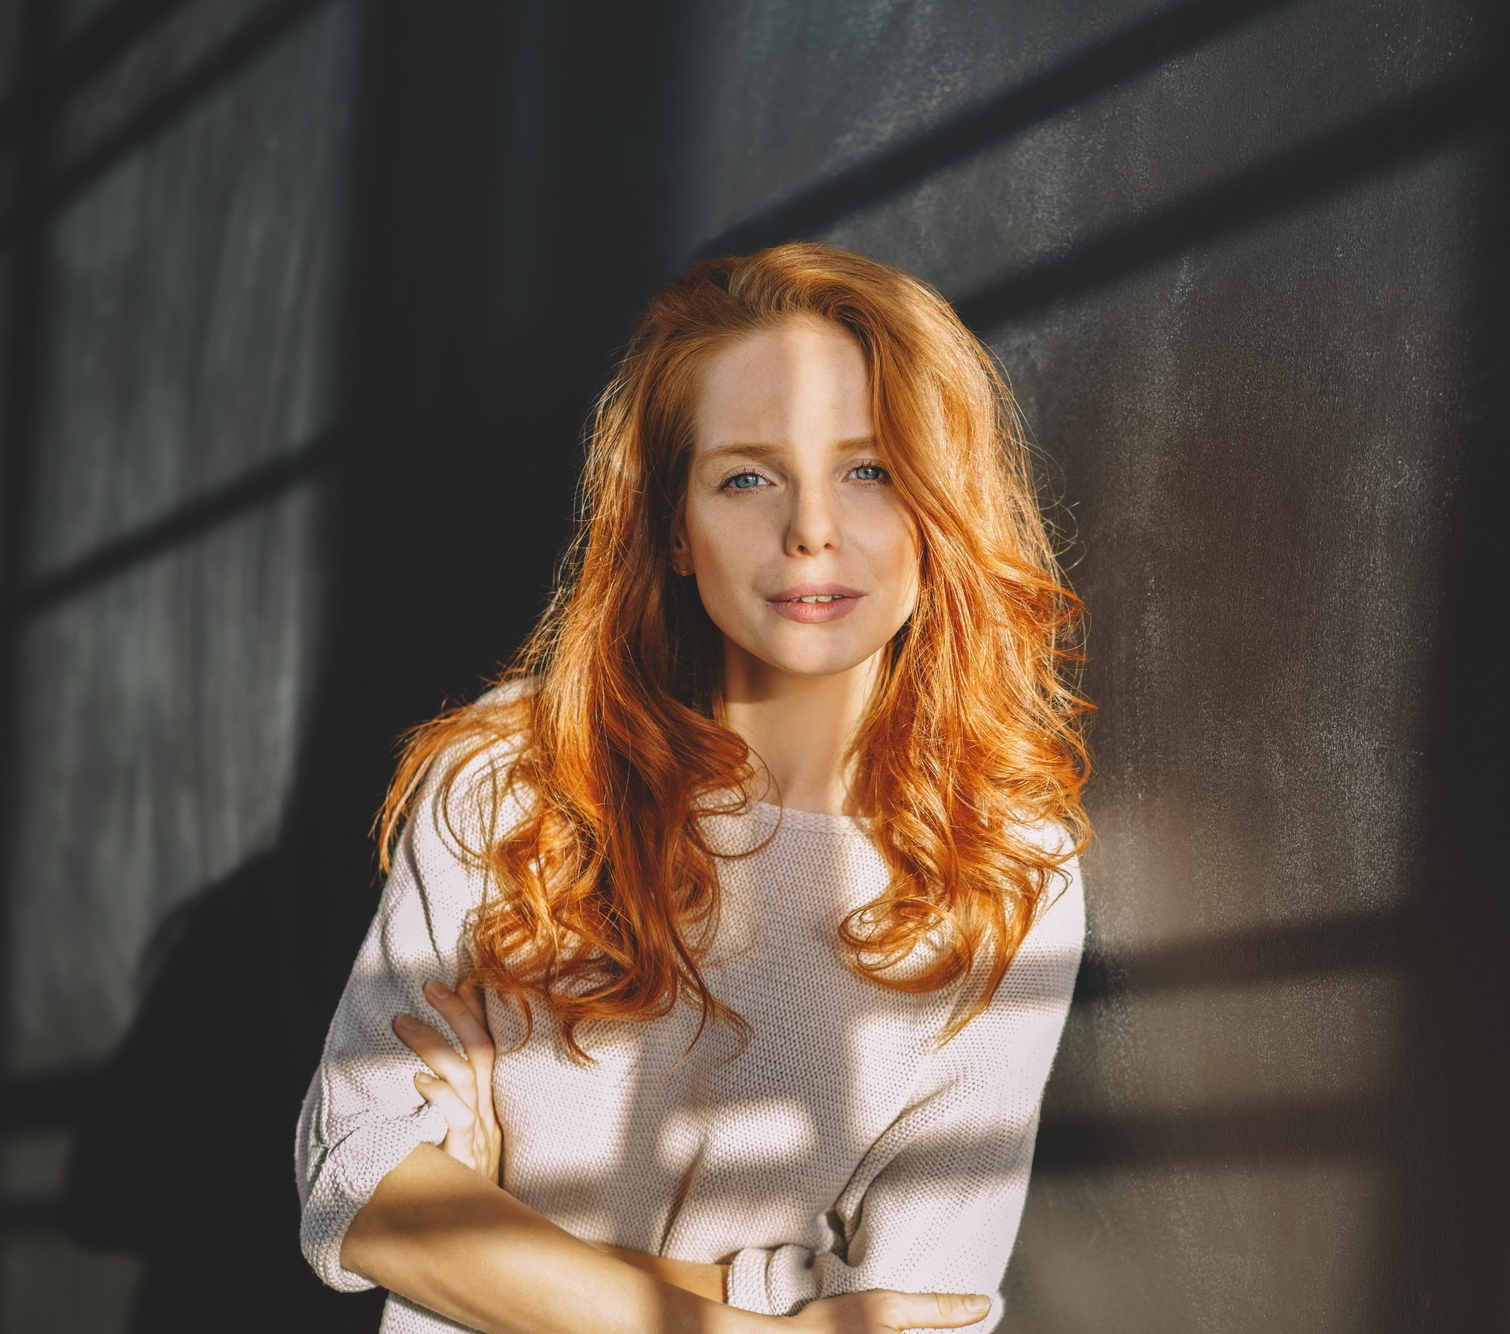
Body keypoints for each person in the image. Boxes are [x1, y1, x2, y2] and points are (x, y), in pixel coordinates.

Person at [294, 243, 1092, 1334]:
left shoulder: (1005, 868)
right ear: (672, 526)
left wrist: (494, 1240)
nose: (810, 527)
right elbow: (357, 1181)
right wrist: (762, 1304)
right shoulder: (511, 778)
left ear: (937, 505)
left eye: (870, 469)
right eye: (745, 477)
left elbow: (924, 1312)